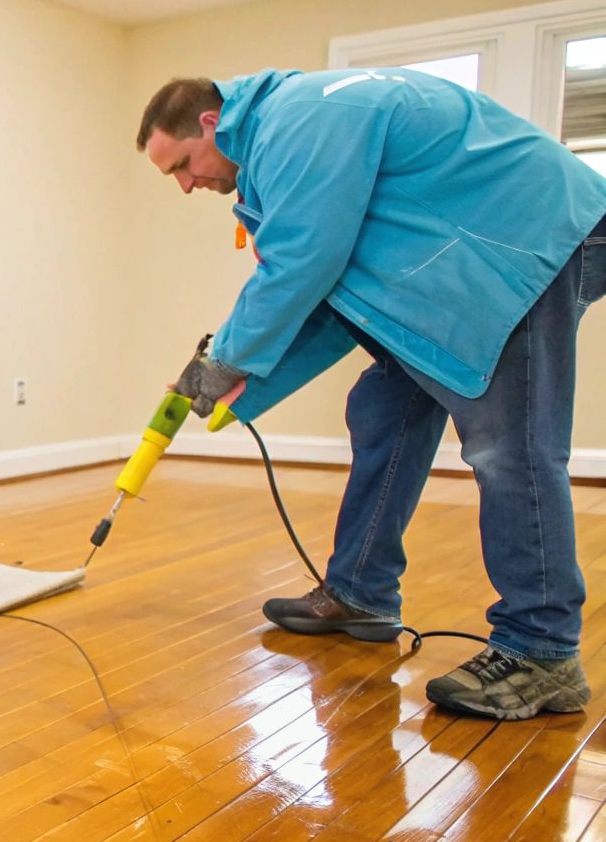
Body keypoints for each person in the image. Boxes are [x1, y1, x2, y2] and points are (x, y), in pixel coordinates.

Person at [139, 68, 606, 720]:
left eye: (182, 166)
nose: (188, 185)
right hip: (457, 266)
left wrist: (224, 361)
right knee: (385, 410)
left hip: (526, 239)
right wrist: (234, 380)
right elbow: (331, 300)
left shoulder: (296, 121)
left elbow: (303, 262)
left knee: (510, 447)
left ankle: (542, 650)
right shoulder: (281, 144)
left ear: (212, 124)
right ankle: (361, 591)